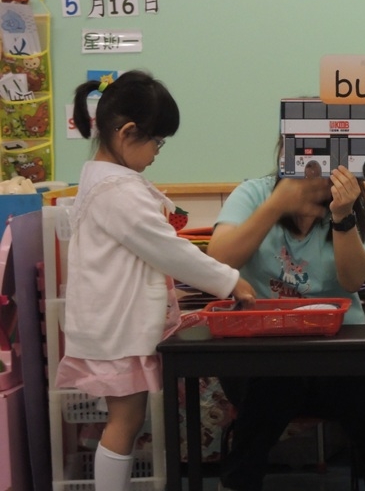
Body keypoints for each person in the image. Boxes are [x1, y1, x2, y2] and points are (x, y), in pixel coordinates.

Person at [55, 70, 257, 491]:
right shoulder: (118, 191)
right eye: (157, 142)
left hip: (112, 324)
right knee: (124, 422)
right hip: (117, 329)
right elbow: (168, 249)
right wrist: (230, 280)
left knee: (125, 421)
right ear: (127, 132)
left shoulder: (105, 181)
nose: (157, 153)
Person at [206, 143, 365, 491]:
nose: (315, 167)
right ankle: (237, 482)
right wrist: (276, 205)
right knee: (275, 384)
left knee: (360, 393)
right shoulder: (254, 193)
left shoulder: (350, 201)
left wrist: (342, 216)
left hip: (337, 350)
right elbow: (218, 260)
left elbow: (353, 281)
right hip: (263, 350)